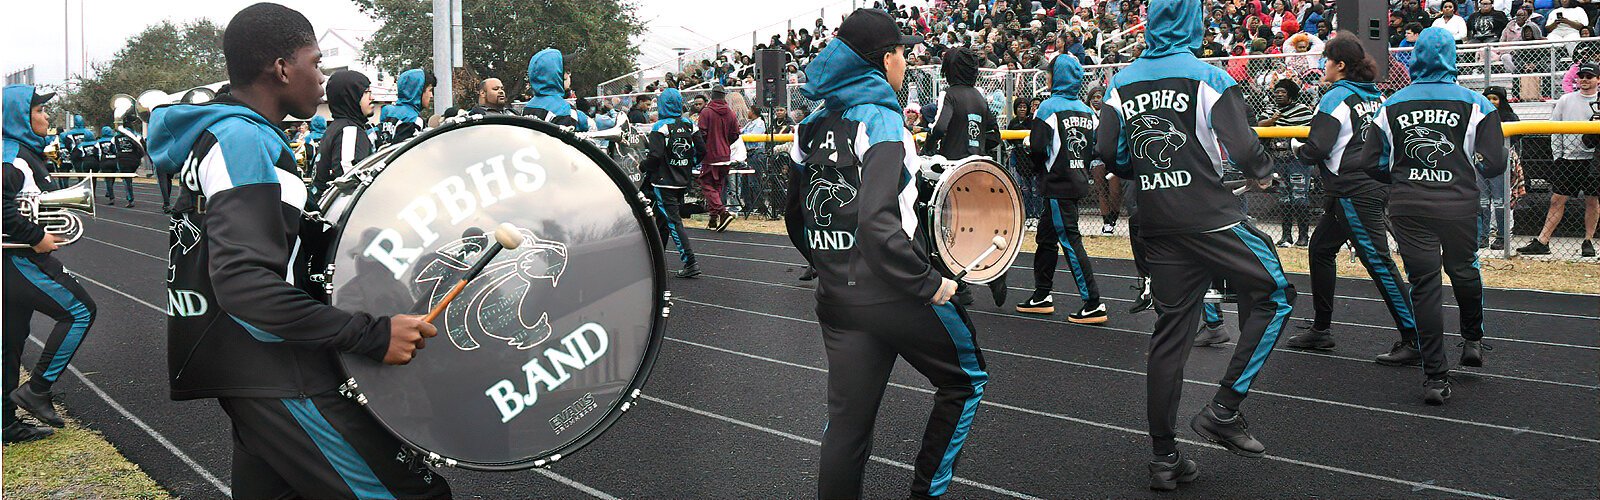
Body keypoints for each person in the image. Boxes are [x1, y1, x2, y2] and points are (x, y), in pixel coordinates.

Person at [148, 4, 449, 497]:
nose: (323, 76)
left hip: (253, 369)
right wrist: (370, 334)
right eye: (317, 62)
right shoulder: (241, 139)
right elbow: (245, 283)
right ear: (283, 68)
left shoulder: (235, 134)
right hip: (278, 370)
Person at [784, 9, 985, 500]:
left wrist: (828, 264)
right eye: (902, 52)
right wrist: (927, 282)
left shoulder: (809, 123)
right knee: (967, 381)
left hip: (837, 298)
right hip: (897, 294)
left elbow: (795, 217)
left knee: (848, 428)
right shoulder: (883, 118)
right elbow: (878, 221)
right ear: (885, 59)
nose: (906, 60)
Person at [1094, 0, 1292, 488]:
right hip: (1210, 218)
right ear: (1191, 21)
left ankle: (1164, 459)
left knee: (1169, 337)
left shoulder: (1120, 82)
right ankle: (1225, 408)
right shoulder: (1208, 77)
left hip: (1157, 223)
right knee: (1277, 294)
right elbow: (1244, 147)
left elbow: (1108, 154)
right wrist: (1264, 175)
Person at [1356, 26, 1507, 404]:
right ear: (1452, 57)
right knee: (1464, 269)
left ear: (1416, 59)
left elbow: (1369, 161)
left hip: (1410, 206)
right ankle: (1472, 339)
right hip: (1457, 204)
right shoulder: (1477, 103)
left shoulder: (1390, 105)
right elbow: (1495, 164)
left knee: (1424, 286)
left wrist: (1399, 177)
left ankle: (1435, 378)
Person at [1286, 33, 1419, 354]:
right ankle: (1321, 328)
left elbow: (1318, 147)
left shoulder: (1336, 96)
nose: (1322, 64)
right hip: (1364, 185)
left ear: (1340, 65)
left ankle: (1415, 337)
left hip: (1352, 189)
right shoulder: (1374, 96)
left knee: (1378, 261)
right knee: (1320, 249)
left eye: (1327, 60)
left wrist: (1295, 149)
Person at [3, 84, 97, 444]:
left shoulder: (20, 153)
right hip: (18, 258)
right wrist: (34, 235)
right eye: (39, 111)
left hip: (13, 258)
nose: (46, 117)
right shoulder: (12, 157)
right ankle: (37, 391)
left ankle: (5, 424)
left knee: (9, 341)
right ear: (19, 116)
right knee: (80, 312)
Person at [1017, 53, 1108, 324]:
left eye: (1049, 73)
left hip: (1056, 183)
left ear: (1056, 77)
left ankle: (1093, 302)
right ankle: (1042, 294)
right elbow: (1095, 148)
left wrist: (1036, 166)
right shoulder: (1087, 110)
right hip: (1076, 179)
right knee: (1046, 238)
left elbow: (1036, 147)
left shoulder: (1047, 108)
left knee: (1069, 239)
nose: (1046, 76)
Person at [1517, 62, 1600, 258]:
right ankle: (1543, 240)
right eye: (1582, 76)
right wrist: (1558, 155)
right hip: (1569, 158)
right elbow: (1555, 129)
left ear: (1598, 79)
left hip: (1593, 159)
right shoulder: (1566, 100)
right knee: (1557, 199)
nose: (1585, 80)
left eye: (1590, 76)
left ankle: (1588, 240)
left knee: (1592, 200)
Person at [642, 88, 704, 279]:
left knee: (673, 221)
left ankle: (690, 261)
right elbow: (702, 150)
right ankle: (656, 259)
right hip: (682, 179)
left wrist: (642, 166)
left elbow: (655, 156)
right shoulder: (689, 125)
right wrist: (689, 163)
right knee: (663, 220)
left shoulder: (659, 127)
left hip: (664, 181)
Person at [1259, 78, 1315, 247]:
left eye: (1283, 92)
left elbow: (1310, 129)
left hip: (1297, 160)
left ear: (1291, 94)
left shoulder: (1302, 110)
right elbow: (1260, 126)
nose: (1279, 95)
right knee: (1284, 199)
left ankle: (1303, 237)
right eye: (1276, 92)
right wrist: (1273, 120)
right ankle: (1286, 236)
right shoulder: (1270, 110)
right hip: (1278, 159)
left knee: (1299, 197)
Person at [313, 70, 374, 196]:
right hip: (339, 213)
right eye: (366, 92)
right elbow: (351, 186)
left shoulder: (334, 128)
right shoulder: (350, 131)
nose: (372, 97)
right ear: (351, 96)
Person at [1480, 86, 1524, 251]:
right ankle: (1482, 236)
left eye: (1495, 98)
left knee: (1500, 201)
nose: (1491, 102)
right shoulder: (1479, 115)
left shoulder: (1509, 117)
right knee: (1482, 201)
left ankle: (1502, 236)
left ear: (1502, 100)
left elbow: (1516, 138)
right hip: (1481, 161)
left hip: (1501, 162)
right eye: (1488, 98)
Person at [698, 85, 741, 232]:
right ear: (724, 96)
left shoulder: (706, 112)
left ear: (711, 95)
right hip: (725, 155)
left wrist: (704, 148)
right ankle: (713, 219)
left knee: (706, 184)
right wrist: (724, 143)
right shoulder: (730, 112)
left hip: (711, 156)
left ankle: (722, 213)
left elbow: (702, 133)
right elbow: (735, 134)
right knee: (717, 187)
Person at [522, 48, 593, 131]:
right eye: (567, 71)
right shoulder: (563, 109)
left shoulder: (528, 107)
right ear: (557, 74)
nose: (569, 75)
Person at [376, 68, 432, 148]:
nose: (431, 95)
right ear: (418, 90)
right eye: (430, 90)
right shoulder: (415, 119)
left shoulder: (387, 111)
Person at [110, 124, 144, 207]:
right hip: (134, 160)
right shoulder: (136, 135)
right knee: (129, 178)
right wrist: (138, 157)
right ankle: (130, 198)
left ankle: (130, 199)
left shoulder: (116, 137)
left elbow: (112, 149)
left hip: (123, 160)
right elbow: (143, 147)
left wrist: (120, 153)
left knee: (127, 180)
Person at [95, 126, 123, 205]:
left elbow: (97, 152)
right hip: (114, 161)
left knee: (107, 179)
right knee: (112, 178)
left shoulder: (99, 142)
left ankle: (111, 196)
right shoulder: (114, 139)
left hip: (105, 161)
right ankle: (109, 190)